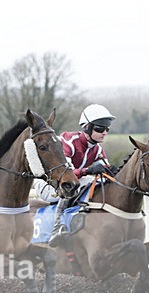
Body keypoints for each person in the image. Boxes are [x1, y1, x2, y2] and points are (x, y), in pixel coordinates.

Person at [38, 103, 116, 247]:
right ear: (87, 127)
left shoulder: (97, 149)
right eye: (100, 128)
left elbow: (107, 171)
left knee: (99, 183)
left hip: (73, 183)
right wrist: (87, 170)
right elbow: (63, 176)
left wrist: (114, 172)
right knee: (80, 182)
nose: (104, 132)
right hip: (50, 184)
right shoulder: (69, 142)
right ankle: (57, 229)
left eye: (107, 129)